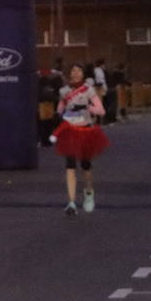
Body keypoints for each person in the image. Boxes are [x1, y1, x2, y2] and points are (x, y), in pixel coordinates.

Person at [53, 63, 108, 215]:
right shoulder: (64, 91)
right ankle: (71, 202)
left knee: (85, 165)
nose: (75, 73)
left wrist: (87, 108)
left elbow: (101, 110)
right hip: (70, 130)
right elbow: (60, 108)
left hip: (86, 129)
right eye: (73, 70)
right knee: (70, 165)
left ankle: (89, 192)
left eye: (78, 71)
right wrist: (60, 114)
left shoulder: (89, 90)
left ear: (83, 74)